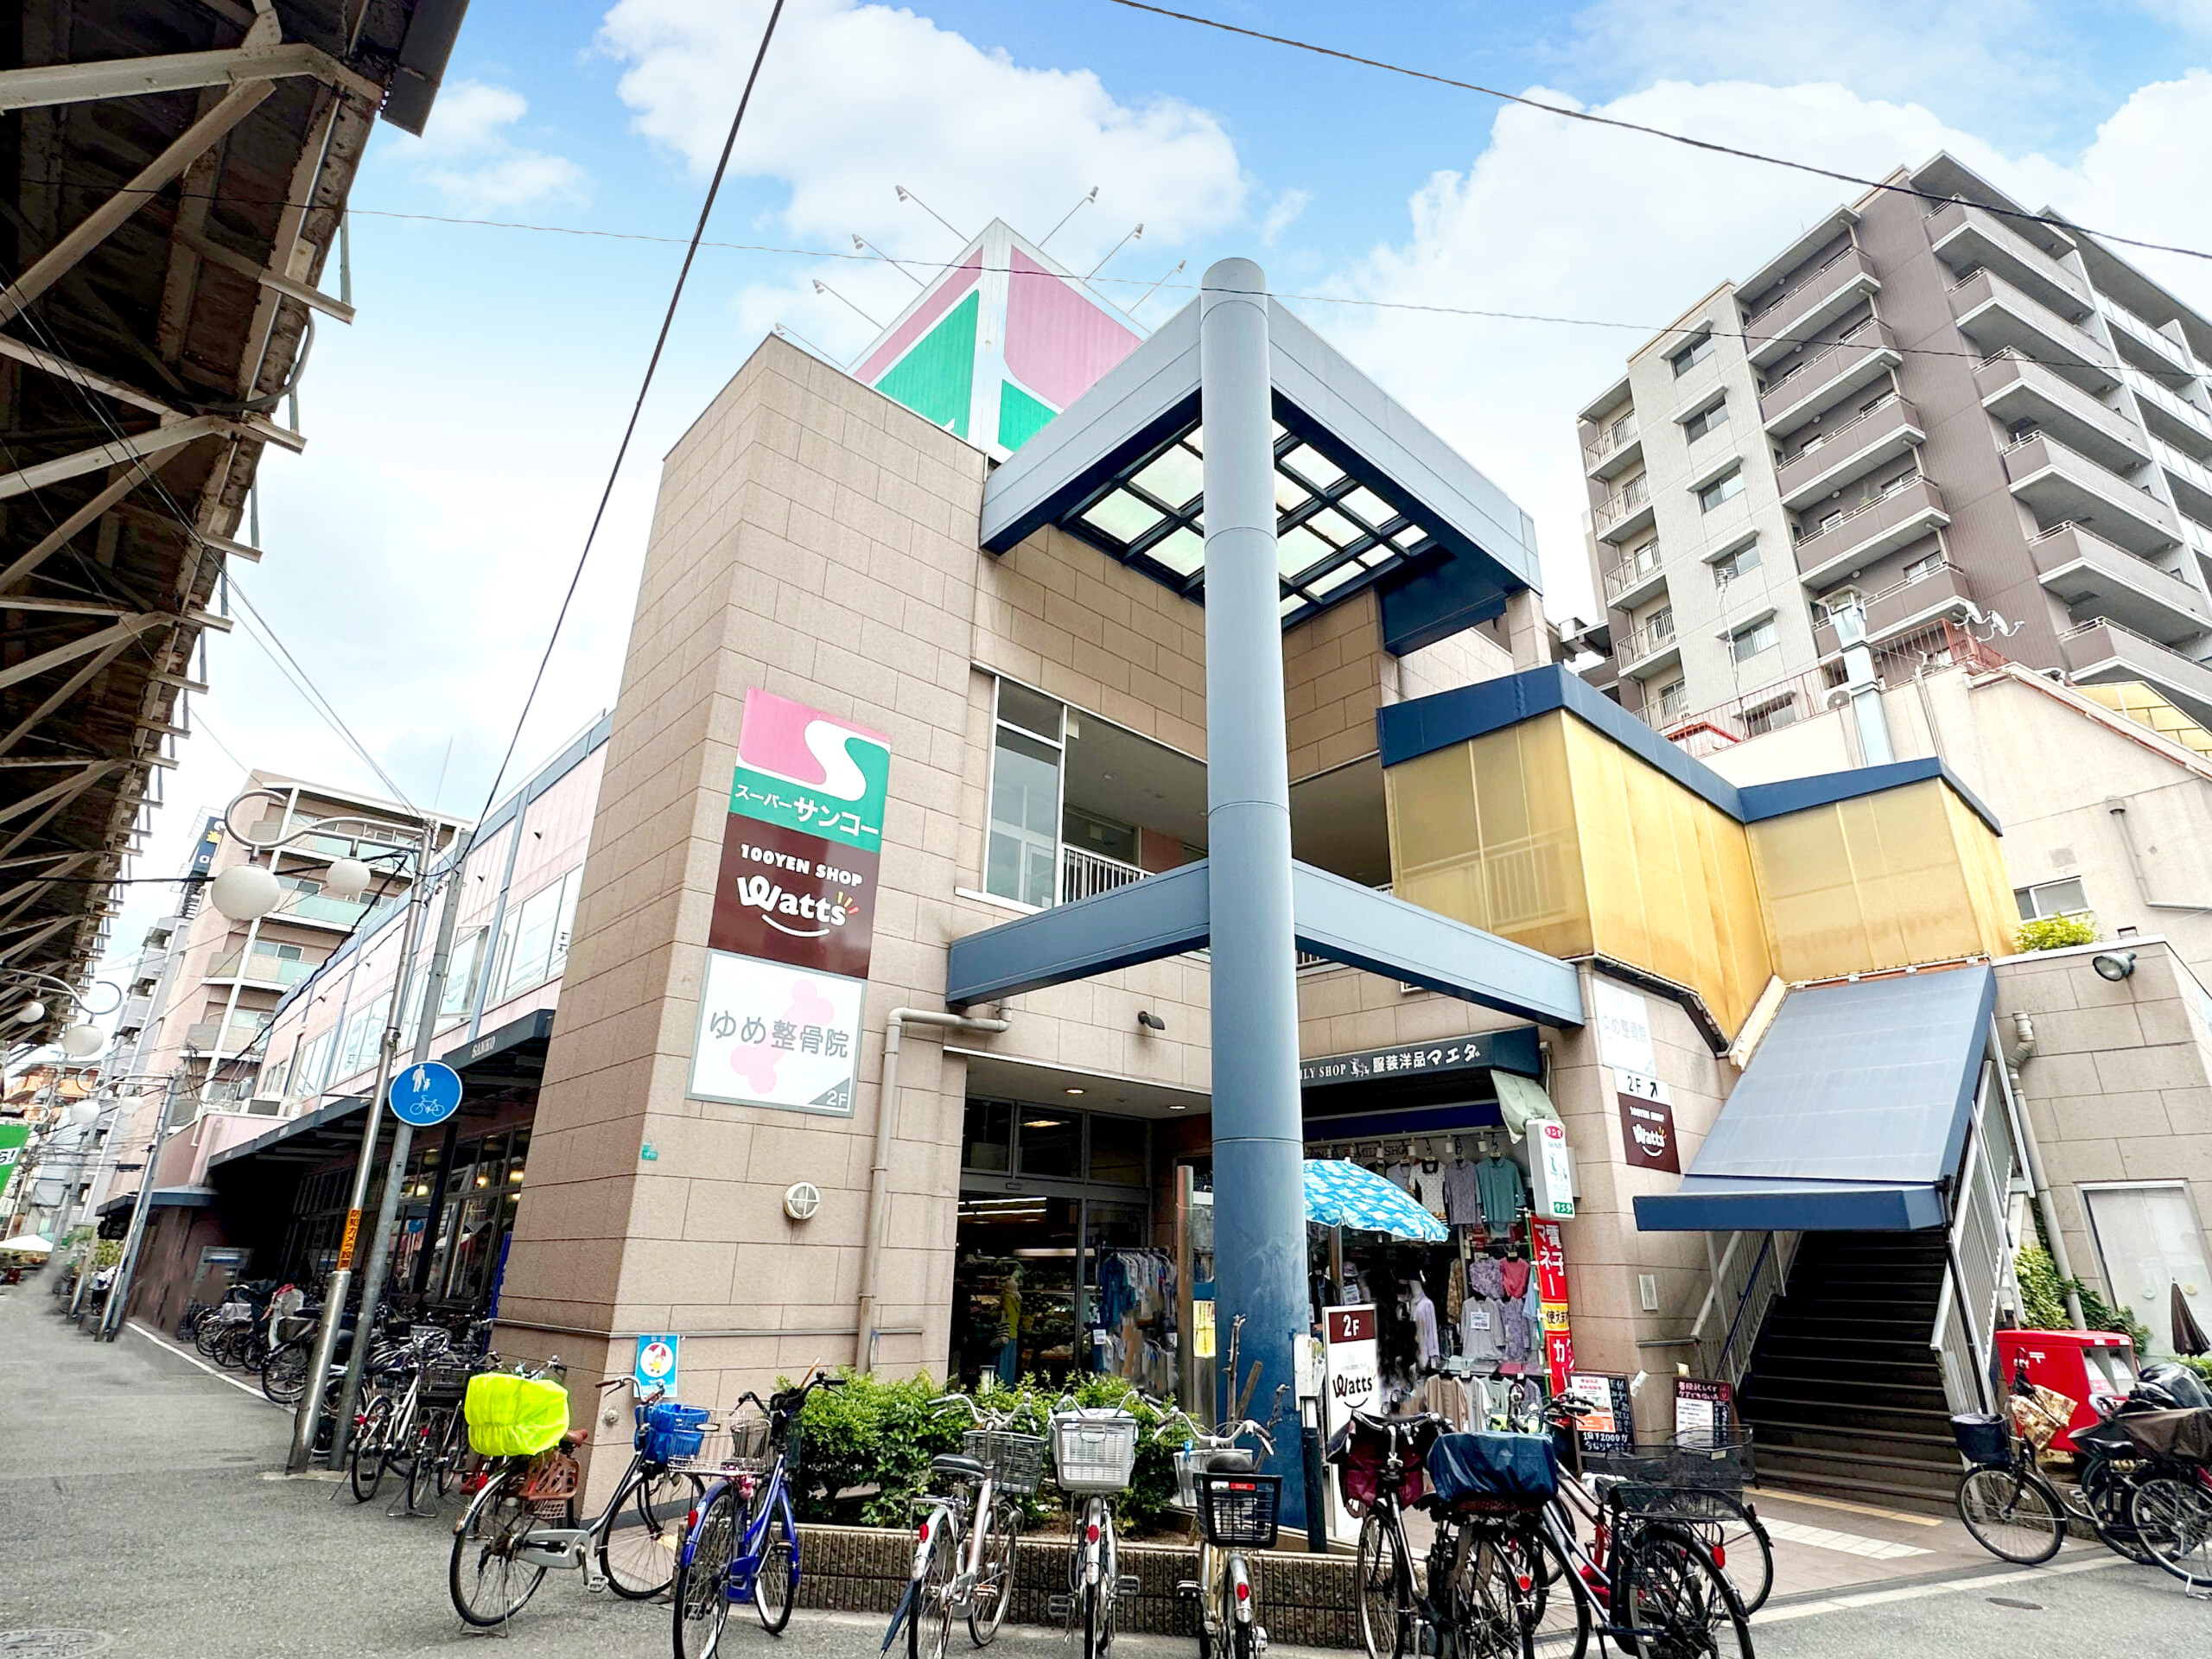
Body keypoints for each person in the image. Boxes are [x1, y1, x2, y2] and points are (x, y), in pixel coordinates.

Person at [996, 1263, 1024, 1387]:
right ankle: (1006, 1386)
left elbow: (1006, 1313)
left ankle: (1002, 1386)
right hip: (1010, 1333)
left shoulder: (1007, 1298)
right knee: (1008, 1362)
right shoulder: (1013, 1300)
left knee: (1004, 1361)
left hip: (1007, 1332)